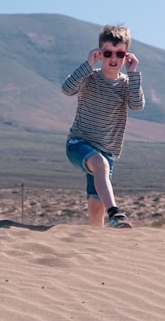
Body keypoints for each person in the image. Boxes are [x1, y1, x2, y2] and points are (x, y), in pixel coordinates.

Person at [62, 25, 145, 227]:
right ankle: (116, 214)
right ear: (100, 53)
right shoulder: (89, 78)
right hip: (78, 144)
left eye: (119, 53)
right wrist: (88, 65)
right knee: (100, 163)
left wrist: (133, 74)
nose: (113, 58)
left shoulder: (126, 84)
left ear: (126, 56)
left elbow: (137, 105)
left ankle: (95, 246)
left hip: (106, 152)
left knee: (95, 206)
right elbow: (67, 89)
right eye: (107, 53)